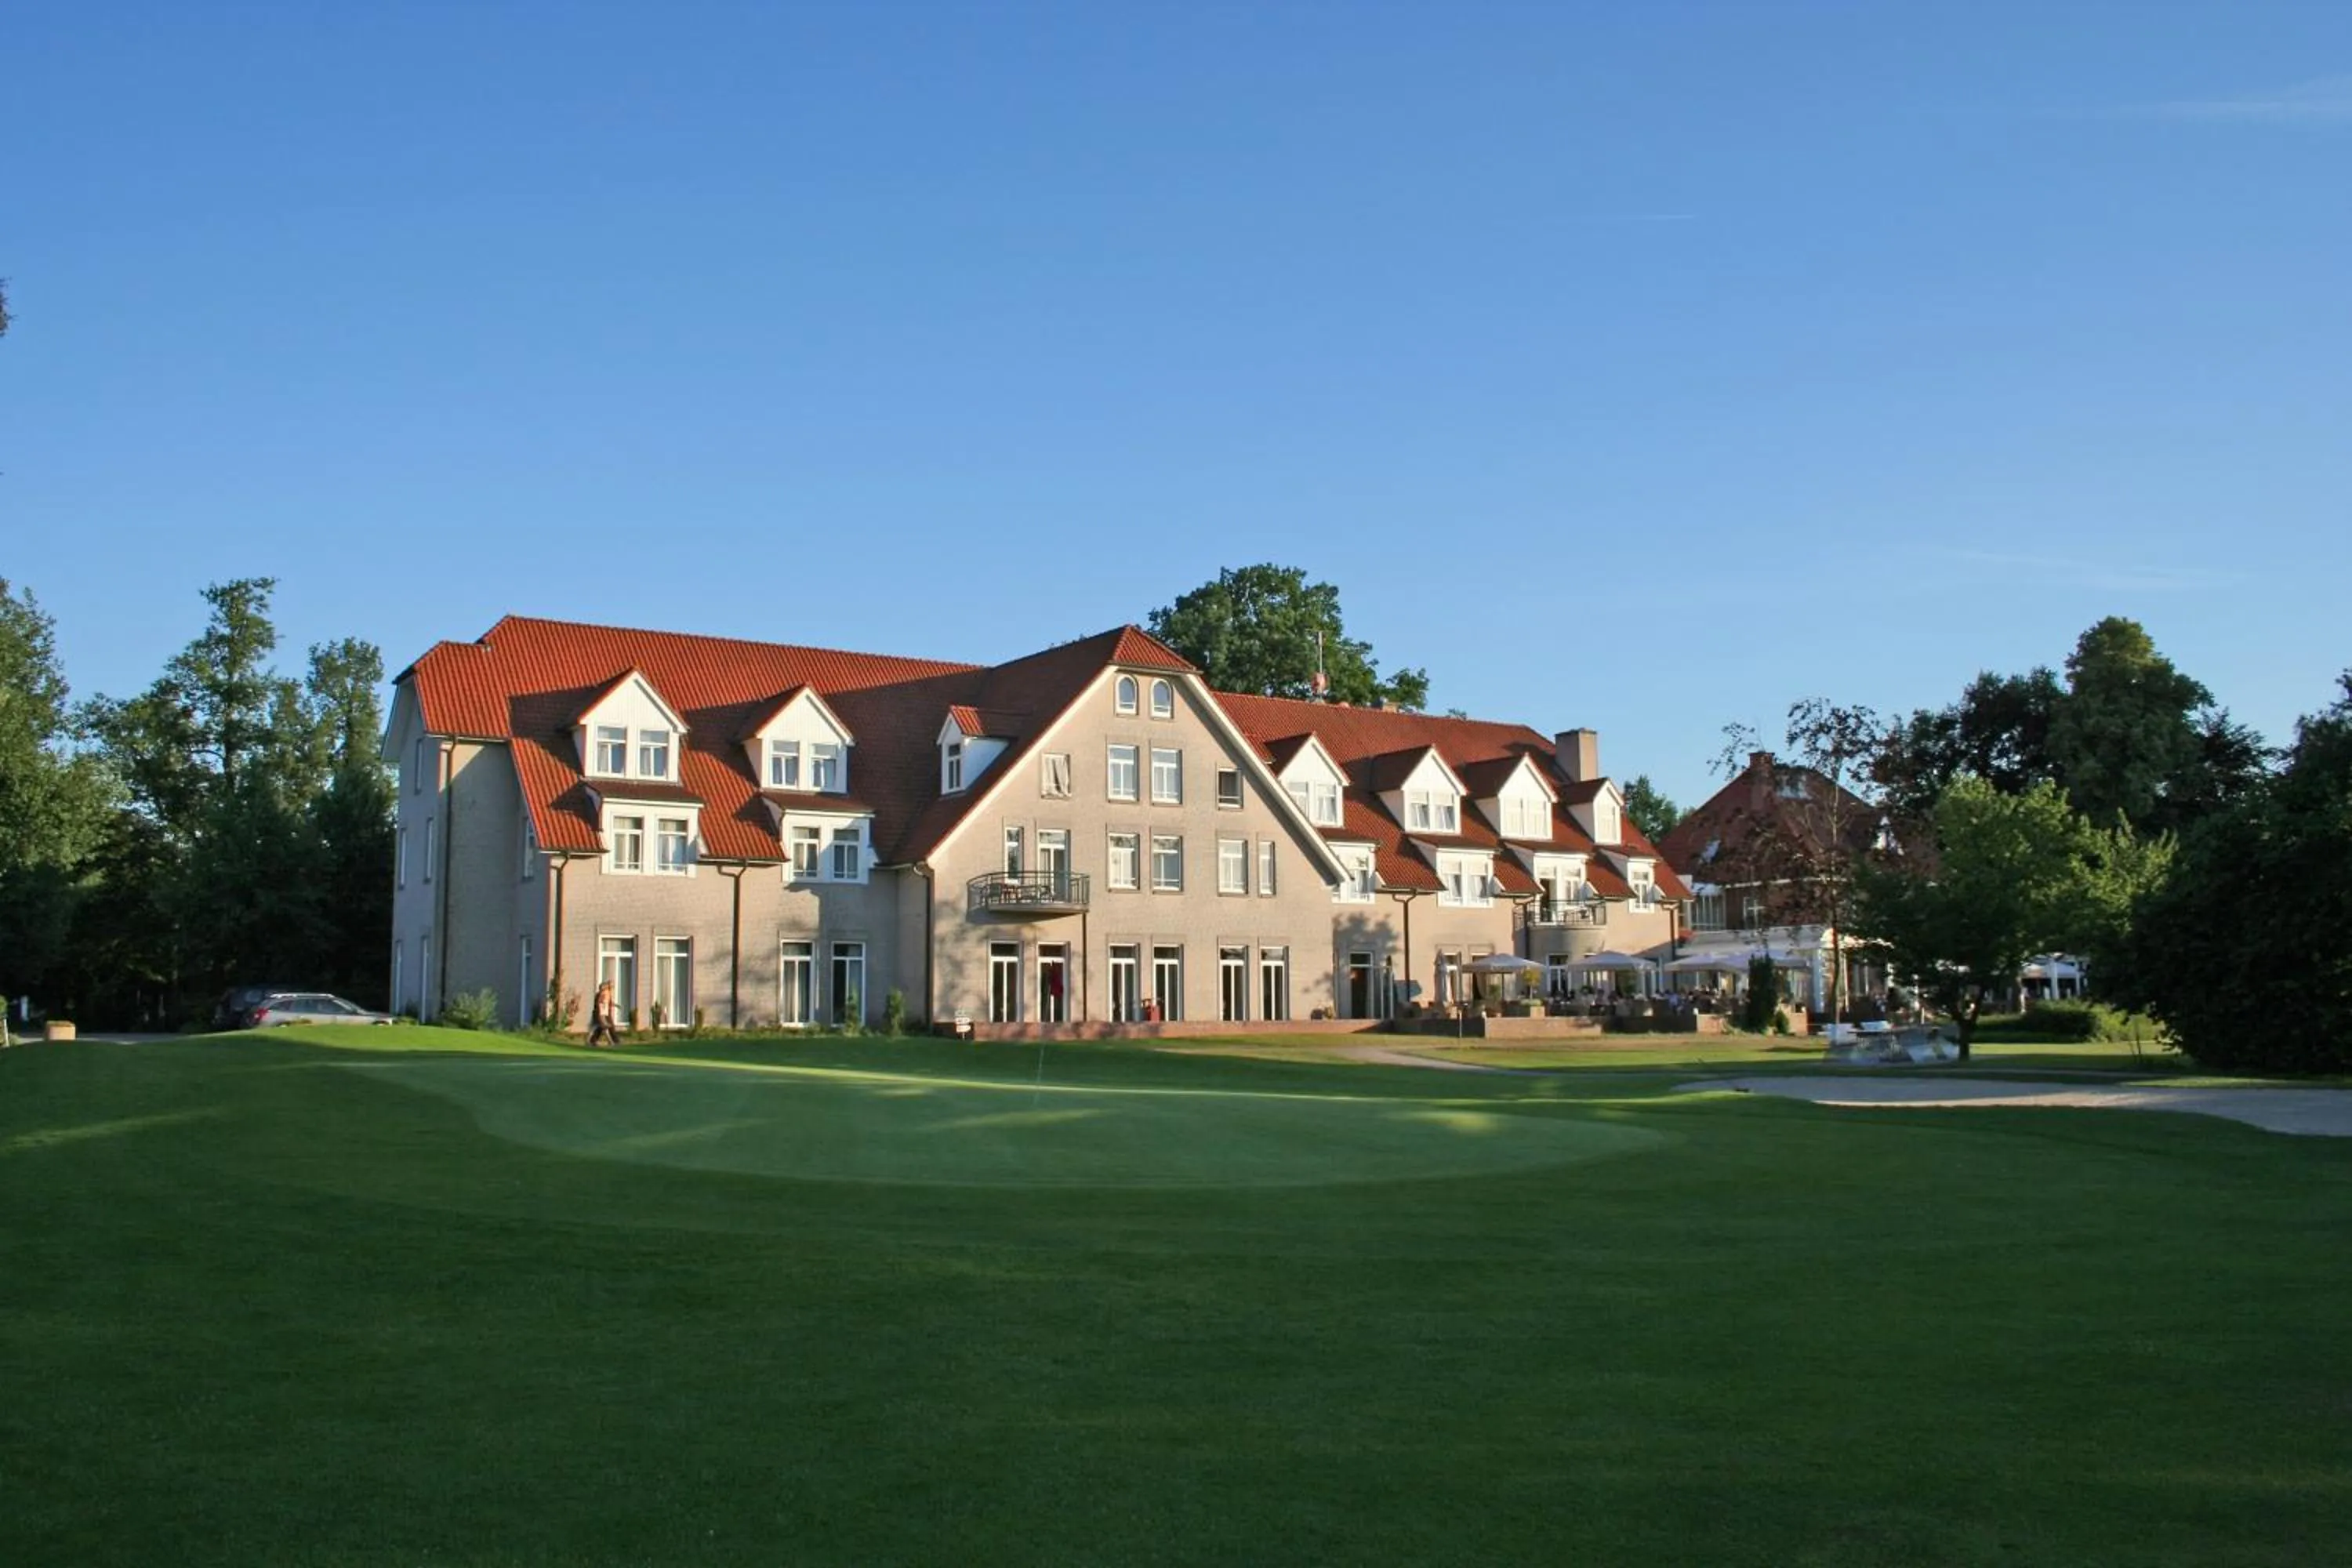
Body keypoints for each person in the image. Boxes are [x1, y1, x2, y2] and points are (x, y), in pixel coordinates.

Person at [588, 981, 621, 1047]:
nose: (612, 987)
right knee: (605, 1027)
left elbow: (608, 1002)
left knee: (599, 1027)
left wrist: (615, 1005)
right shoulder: (602, 994)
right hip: (601, 1013)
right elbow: (601, 1004)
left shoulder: (605, 993)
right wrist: (601, 1013)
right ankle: (612, 1042)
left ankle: (592, 1041)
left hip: (604, 1013)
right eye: (610, 986)